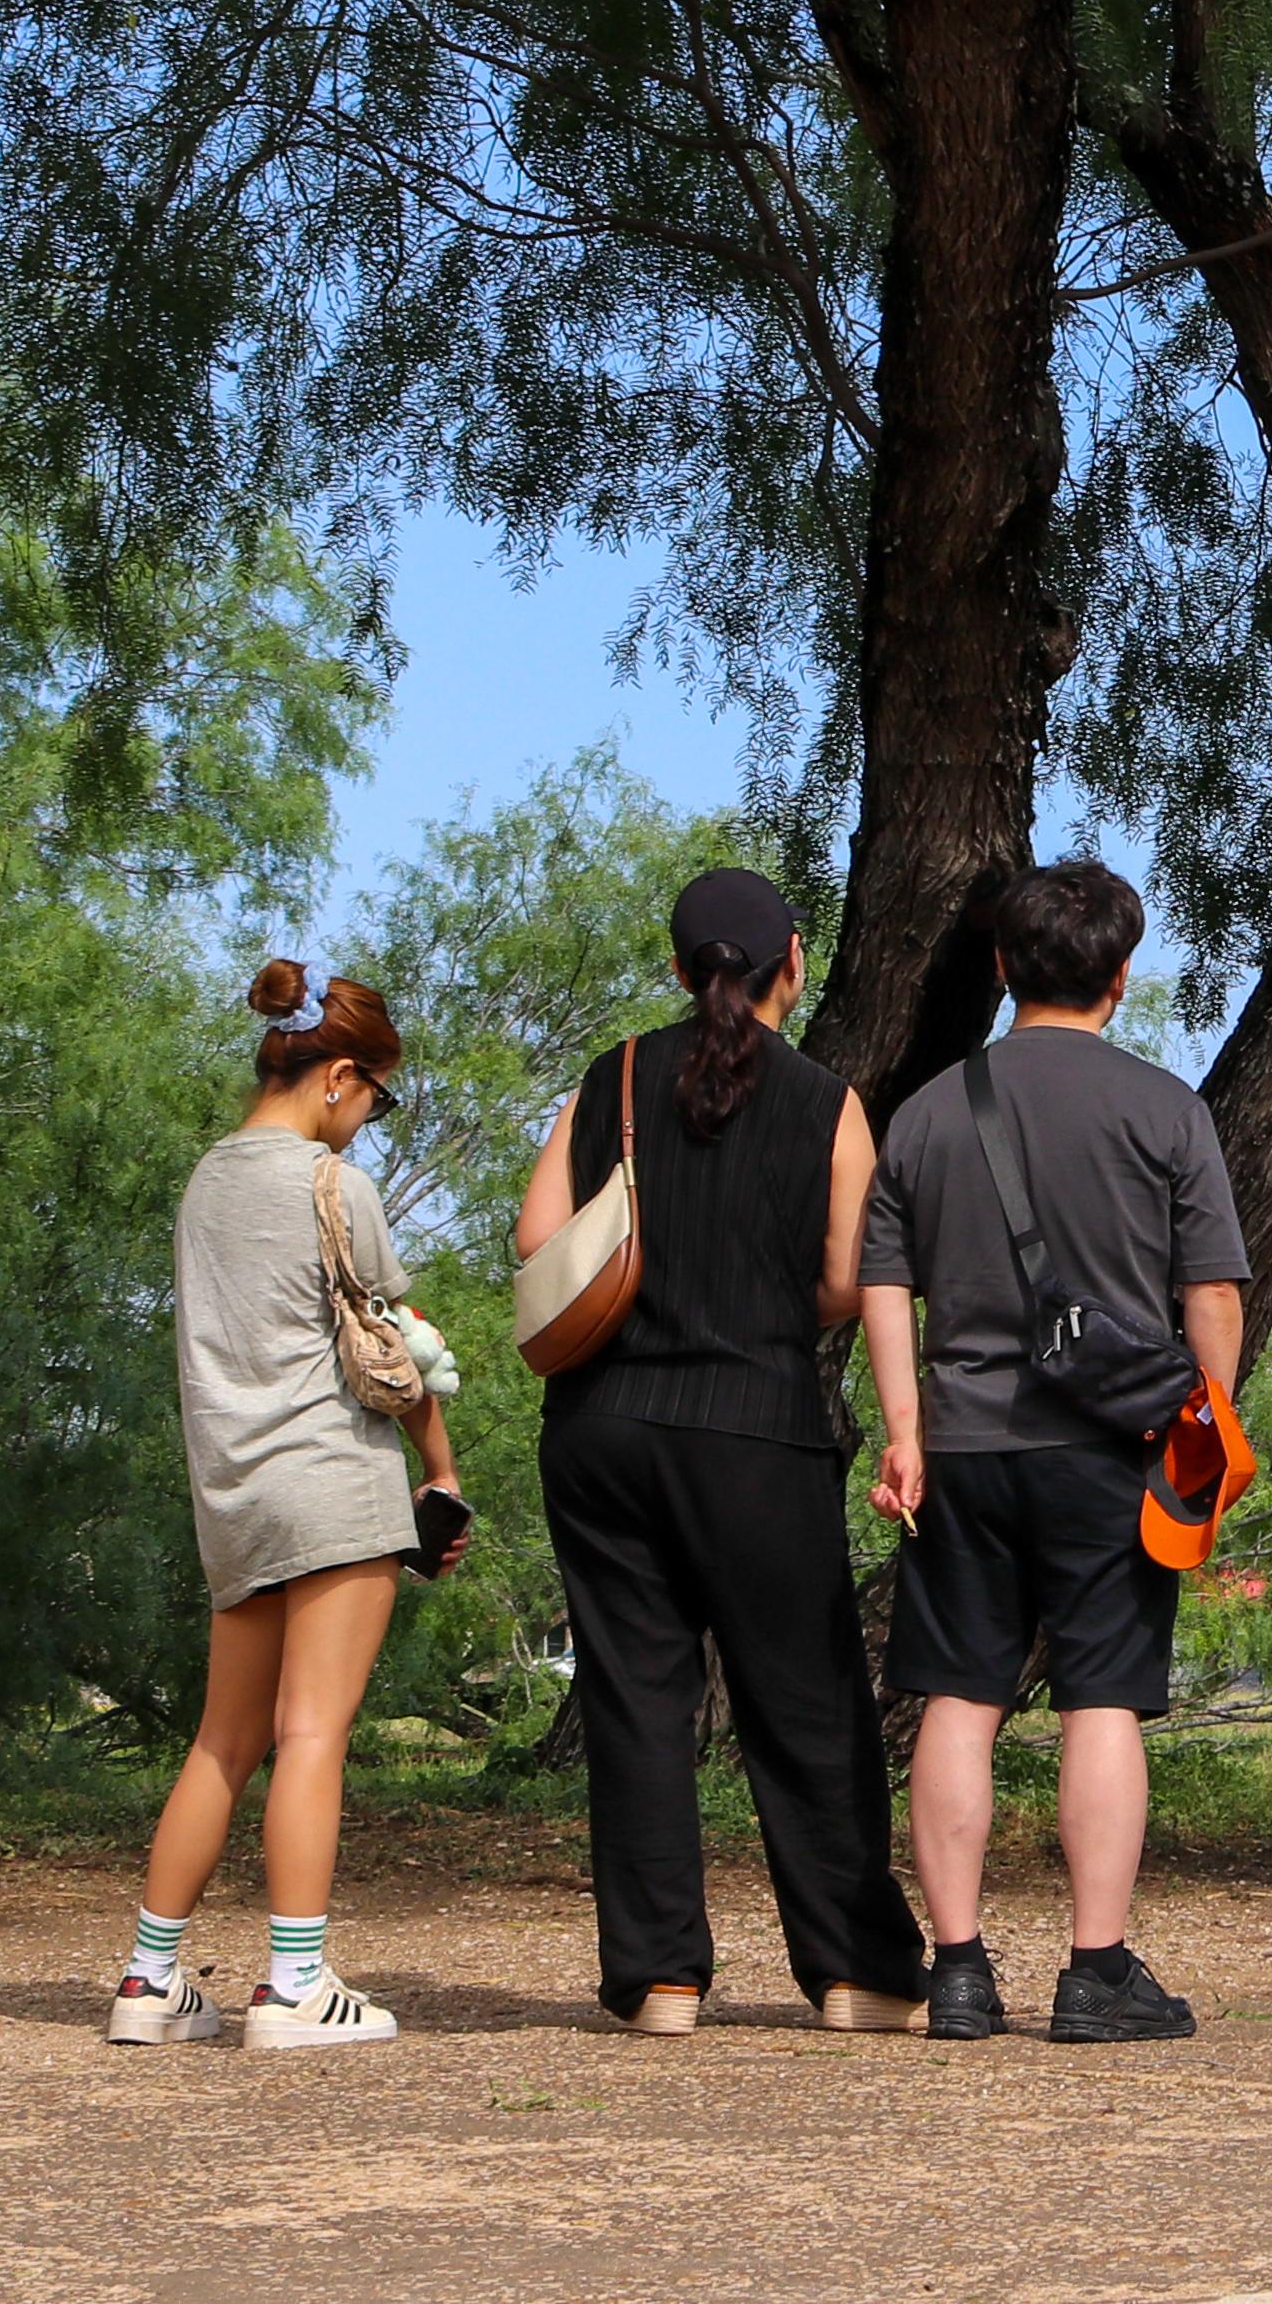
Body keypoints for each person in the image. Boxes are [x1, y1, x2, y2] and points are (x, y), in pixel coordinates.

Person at [518, 871, 930, 2038]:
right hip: (754, 1425)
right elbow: (855, 1276)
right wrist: (762, 1306)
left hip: (601, 1429)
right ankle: (857, 1971)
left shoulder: (611, 1078)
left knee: (634, 1698)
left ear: (677, 968)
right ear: (791, 963)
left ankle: (657, 1978)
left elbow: (538, 1241)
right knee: (803, 1700)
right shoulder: (826, 1101)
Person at [858, 856, 1248, 2046]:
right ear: (1121, 976)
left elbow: (885, 1282)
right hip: (1111, 1451)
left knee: (959, 1699)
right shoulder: (1164, 1107)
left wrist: (905, 1430)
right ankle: (1093, 1970)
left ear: (999, 967)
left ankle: (962, 1970)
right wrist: (1207, 1423)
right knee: (1102, 1701)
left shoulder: (926, 1111)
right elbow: (1212, 1294)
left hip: (965, 1448)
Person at [113, 963, 469, 2048]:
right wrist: (442, 1476)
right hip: (332, 1486)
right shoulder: (332, 1184)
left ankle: (147, 1981)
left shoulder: (203, 1184)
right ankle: (295, 1985)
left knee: (223, 1739)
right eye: (374, 1099)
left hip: (236, 1493)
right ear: (340, 1077)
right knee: (313, 1731)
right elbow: (395, 1351)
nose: (366, 1123)